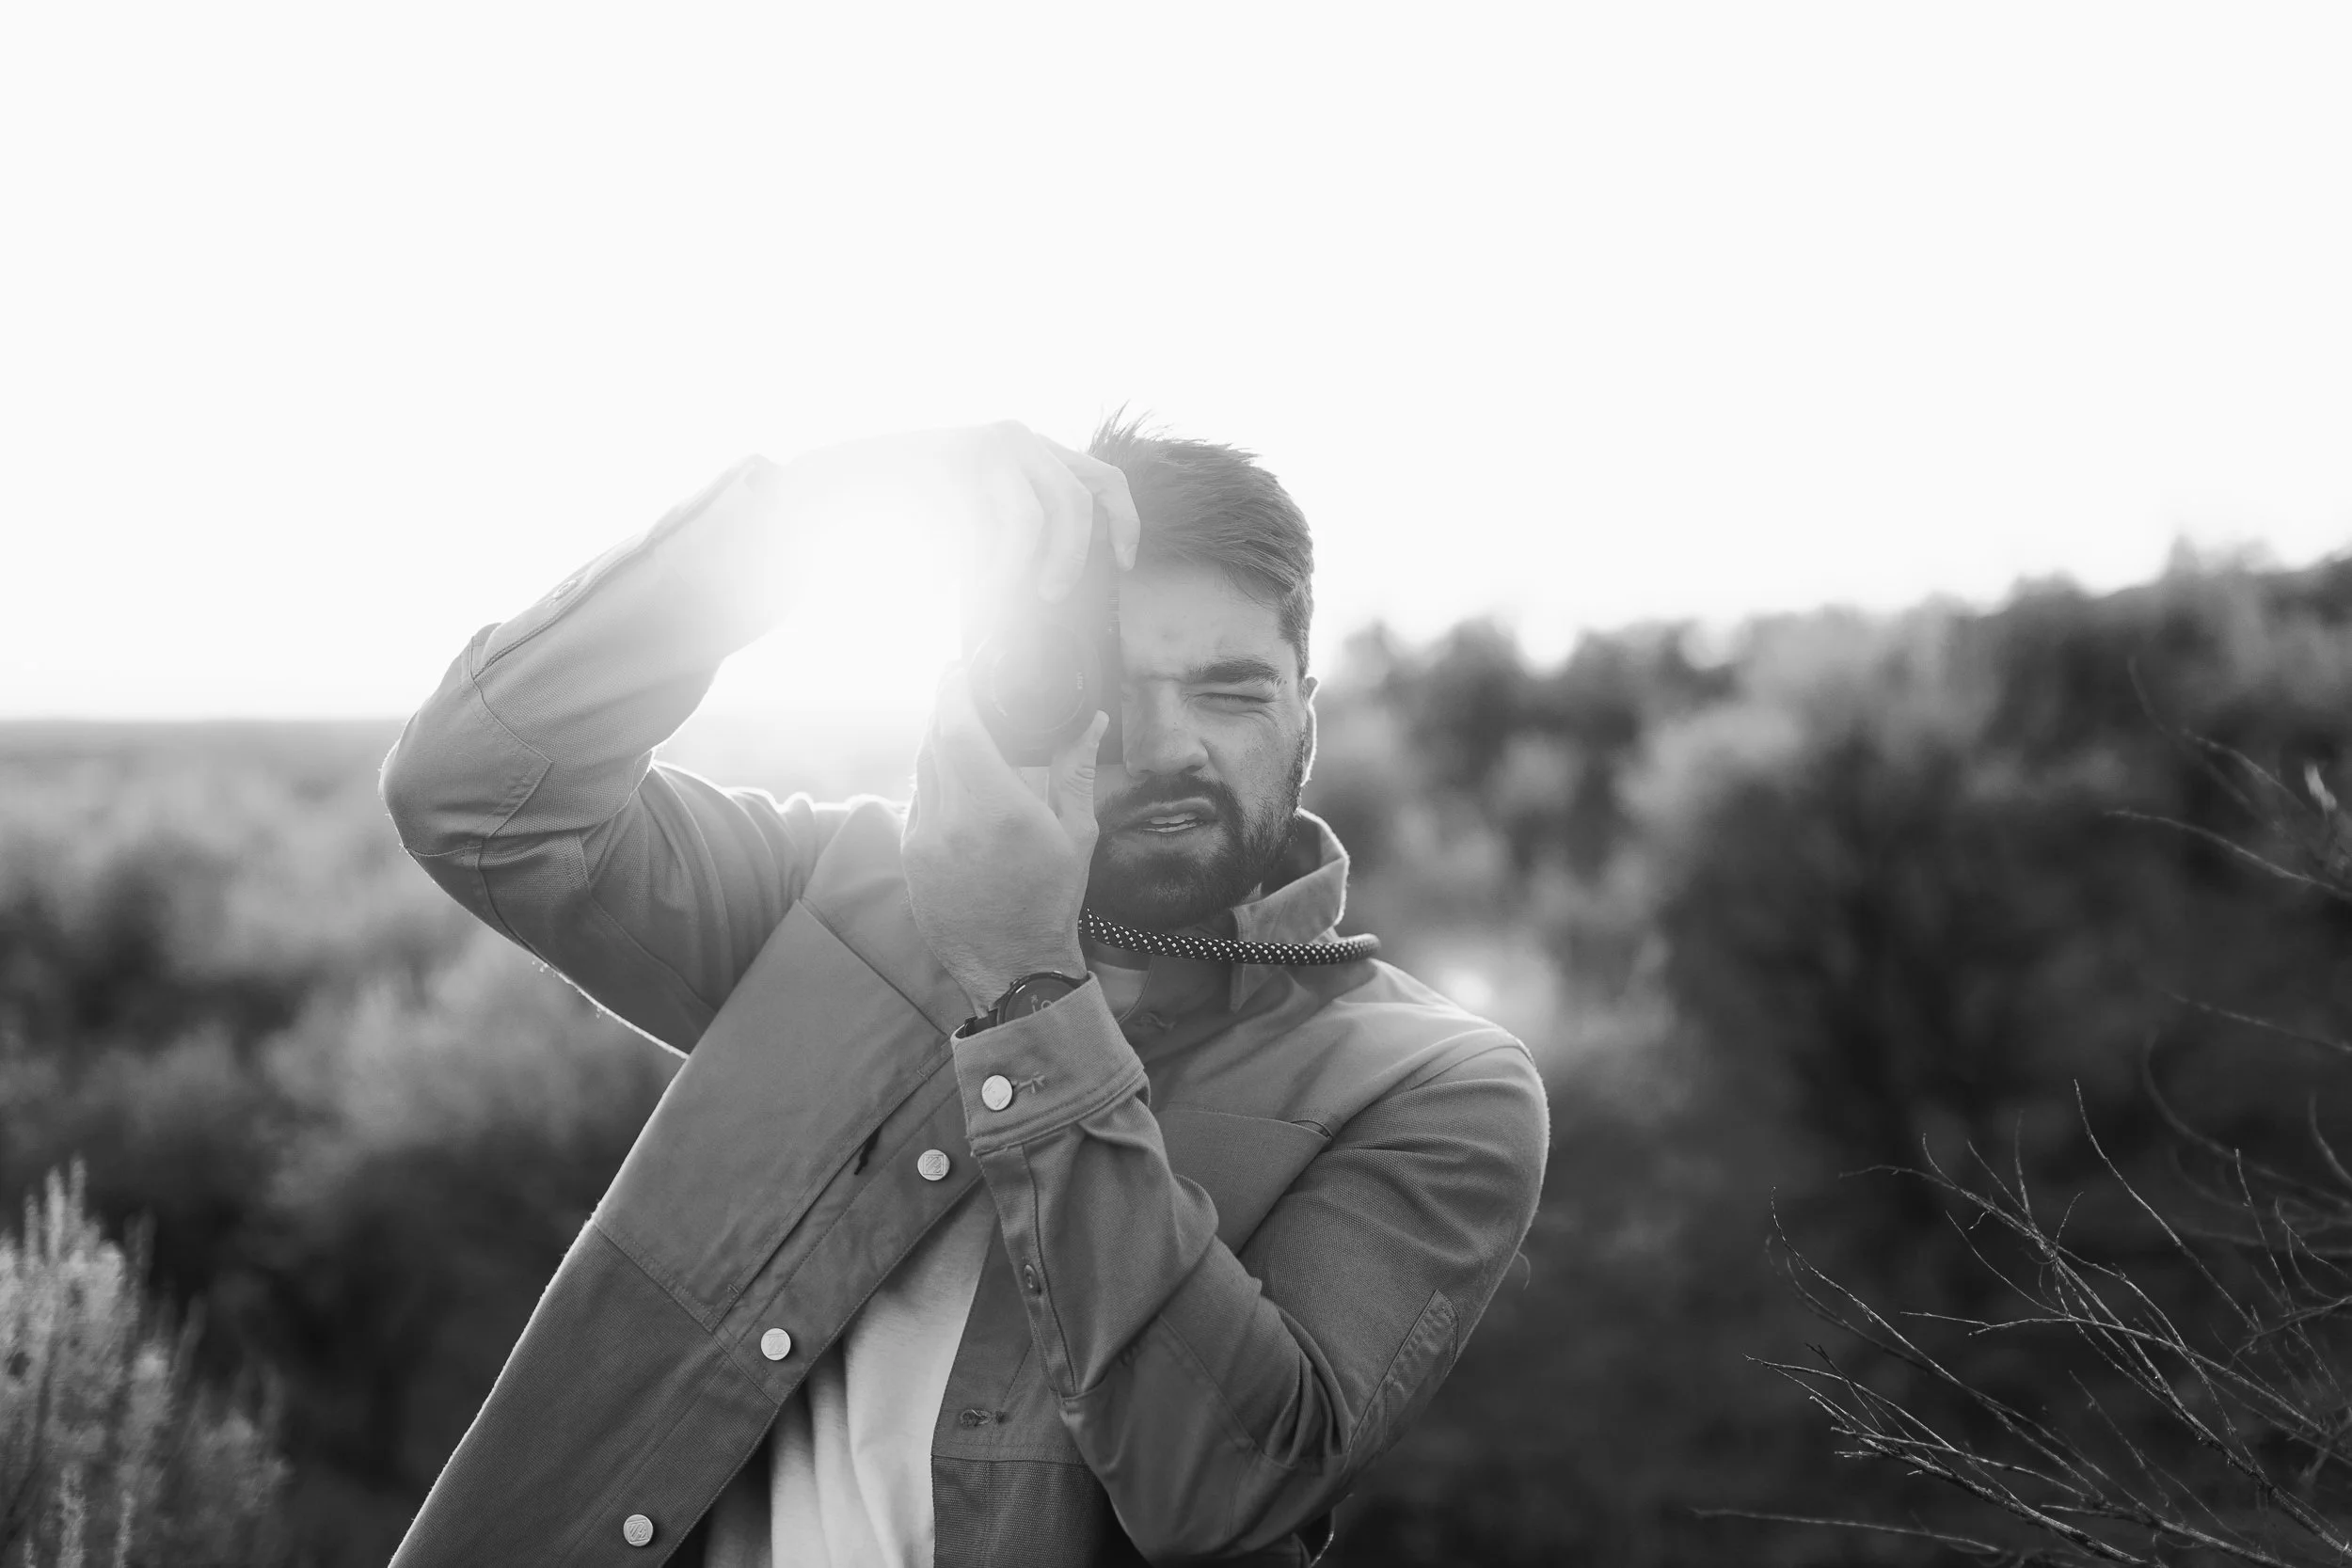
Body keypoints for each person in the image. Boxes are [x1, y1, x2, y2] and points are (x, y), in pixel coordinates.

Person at [377, 419, 1549, 1567]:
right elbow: (476, 790)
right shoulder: (841, 895)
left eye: (1229, 691)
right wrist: (824, 507)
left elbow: (1223, 1485)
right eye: (1104, 688)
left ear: (1305, 711)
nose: (1165, 743)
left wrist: (1026, 980)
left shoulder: (1435, 1084)